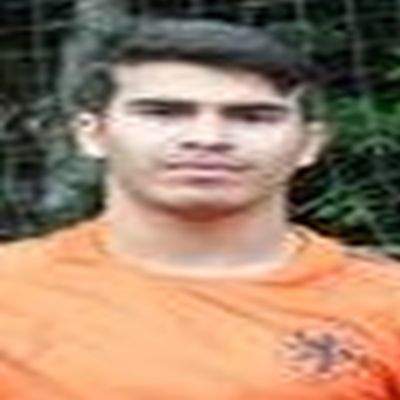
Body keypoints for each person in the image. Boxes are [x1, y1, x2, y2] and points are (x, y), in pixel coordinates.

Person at [0, 17, 399, 400]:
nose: (208, 138)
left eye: (253, 117)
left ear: (309, 144)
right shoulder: (11, 290)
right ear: (93, 134)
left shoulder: (385, 301)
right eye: (163, 113)